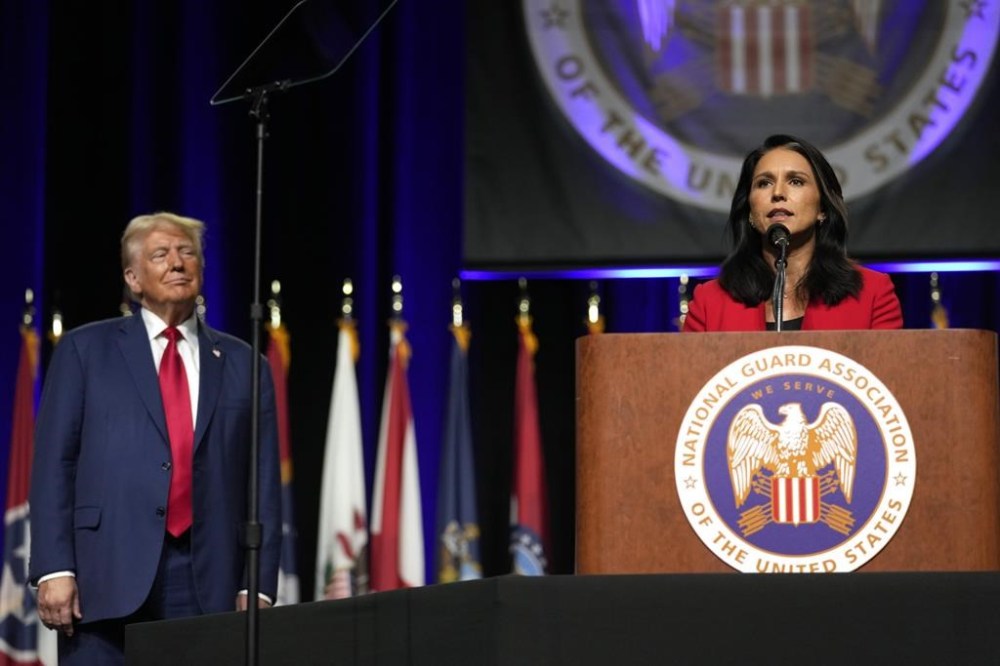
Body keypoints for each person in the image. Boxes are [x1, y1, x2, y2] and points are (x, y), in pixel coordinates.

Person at [29, 212, 282, 664]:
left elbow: (261, 481)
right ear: (133, 277)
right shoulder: (85, 351)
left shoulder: (246, 365)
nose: (178, 263)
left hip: (208, 579)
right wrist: (53, 567)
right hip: (101, 576)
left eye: (188, 253)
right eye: (161, 255)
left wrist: (257, 584)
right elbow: (53, 466)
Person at [683, 134, 903, 332]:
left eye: (796, 181)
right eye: (764, 183)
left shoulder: (873, 294)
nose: (778, 193)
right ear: (750, 210)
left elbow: (886, 375)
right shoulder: (709, 302)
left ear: (822, 210)